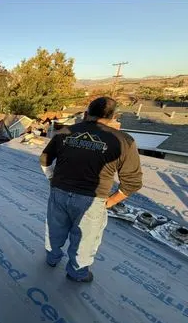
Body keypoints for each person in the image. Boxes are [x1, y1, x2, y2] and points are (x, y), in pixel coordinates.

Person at [39, 95, 142, 282]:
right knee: (85, 240)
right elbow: (132, 182)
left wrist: (52, 179)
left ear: (86, 114)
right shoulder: (123, 141)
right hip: (92, 200)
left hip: (59, 193)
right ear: (113, 117)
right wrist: (109, 202)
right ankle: (77, 273)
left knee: (55, 230)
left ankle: (52, 259)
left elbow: (45, 159)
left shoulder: (65, 132)